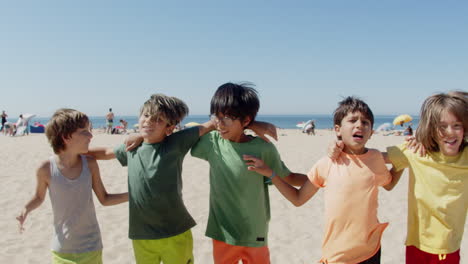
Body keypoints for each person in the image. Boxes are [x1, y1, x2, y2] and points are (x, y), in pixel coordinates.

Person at [245, 96, 399, 264]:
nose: (359, 125)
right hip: (337, 254)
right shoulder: (326, 163)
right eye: (353, 120)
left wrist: (403, 163)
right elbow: (298, 198)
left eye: (365, 122)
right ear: (338, 129)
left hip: (370, 251)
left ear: (371, 133)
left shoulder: (376, 158)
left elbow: (389, 184)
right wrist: (271, 174)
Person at [87, 94, 218, 264]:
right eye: (146, 115)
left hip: (175, 231)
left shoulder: (175, 143)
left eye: (158, 119)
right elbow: (105, 153)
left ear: (169, 128)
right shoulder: (132, 147)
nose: (149, 121)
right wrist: (75, 152)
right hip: (141, 234)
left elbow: (208, 125)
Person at [190, 82, 307, 264]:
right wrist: (251, 124)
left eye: (226, 118)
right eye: (216, 117)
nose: (220, 124)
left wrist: (323, 179)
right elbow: (184, 136)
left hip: (255, 232)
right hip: (223, 232)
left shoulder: (263, 149)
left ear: (245, 120)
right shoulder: (211, 143)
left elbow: (289, 177)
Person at [16, 108, 128, 263]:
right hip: (62, 250)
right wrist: (26, 209)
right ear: (66, 137)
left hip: (92, 247)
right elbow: (38, 196)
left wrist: (133, 195)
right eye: (84, 132)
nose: (91, 135)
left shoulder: (90, 164)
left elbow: (105, 199)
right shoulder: (46, 169)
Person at [385, 91, 467, 264]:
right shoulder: (417, 152)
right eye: (442, 126)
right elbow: (373, 158)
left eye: (457, 125)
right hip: (415, 244)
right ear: (431, 128)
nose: (450, 132)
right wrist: (339, 144)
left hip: (448, 247)